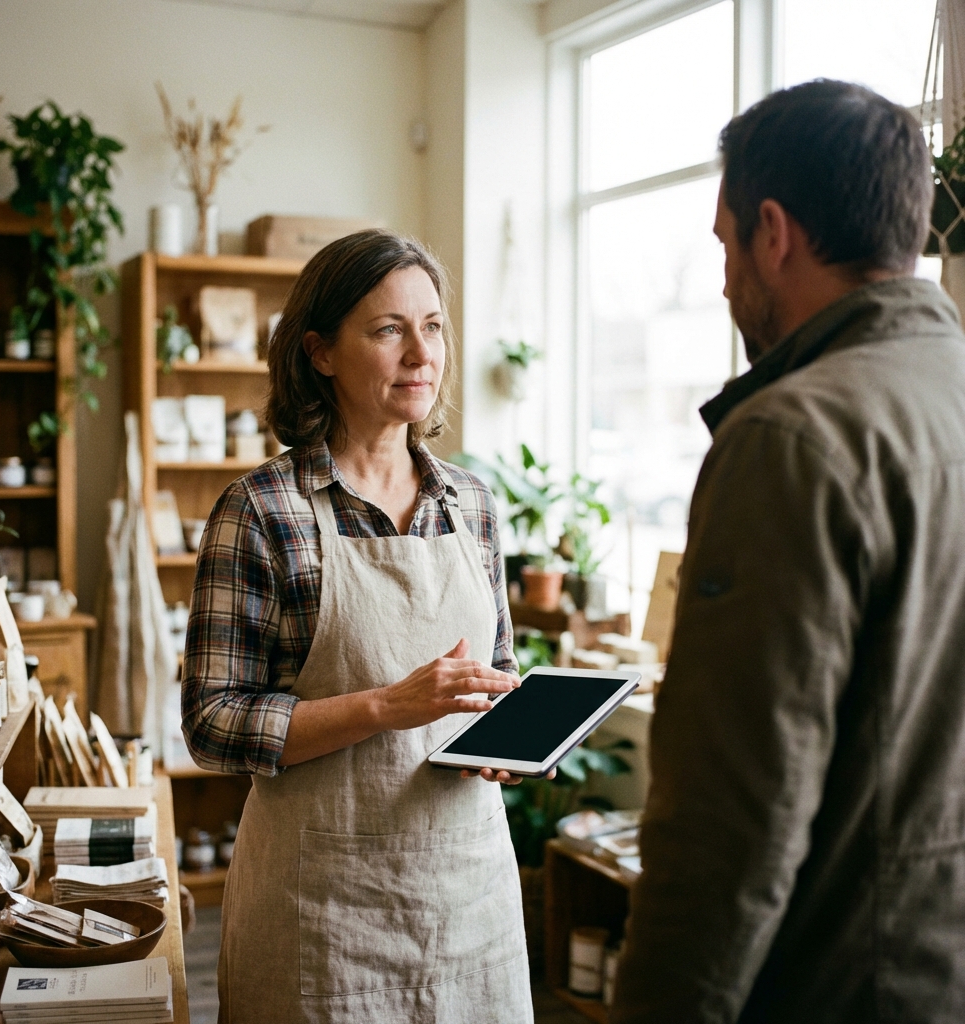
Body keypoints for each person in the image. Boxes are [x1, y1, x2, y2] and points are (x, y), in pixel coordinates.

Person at [612, 80, 965, 1023]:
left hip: (845, 984)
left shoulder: (793, 437)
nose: (727, 281)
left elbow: (729, 823)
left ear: (773, 233)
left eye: (726, 246)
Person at [181, 230, 533, 1024]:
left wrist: (508, 735)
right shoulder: (261, 510)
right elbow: (212, 723)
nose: (422, 354)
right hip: (322, 914)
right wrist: (385, 707)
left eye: (432, 326)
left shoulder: (472, 504)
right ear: (320, 353)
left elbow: (497, 666)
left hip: (468, 903)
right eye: (388, 330)